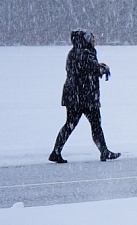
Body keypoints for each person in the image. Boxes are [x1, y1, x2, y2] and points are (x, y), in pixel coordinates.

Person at [49, 29, 121, 163]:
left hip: (73, 95)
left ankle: (56, 151)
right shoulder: (85, 54)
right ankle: (104, 151)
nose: (92, 40)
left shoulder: (73, 53)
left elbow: (83, 70)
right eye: (89, 38)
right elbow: (93, 70)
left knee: (70, 124)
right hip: (85, 96)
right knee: (95, 124)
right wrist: (104, 68)